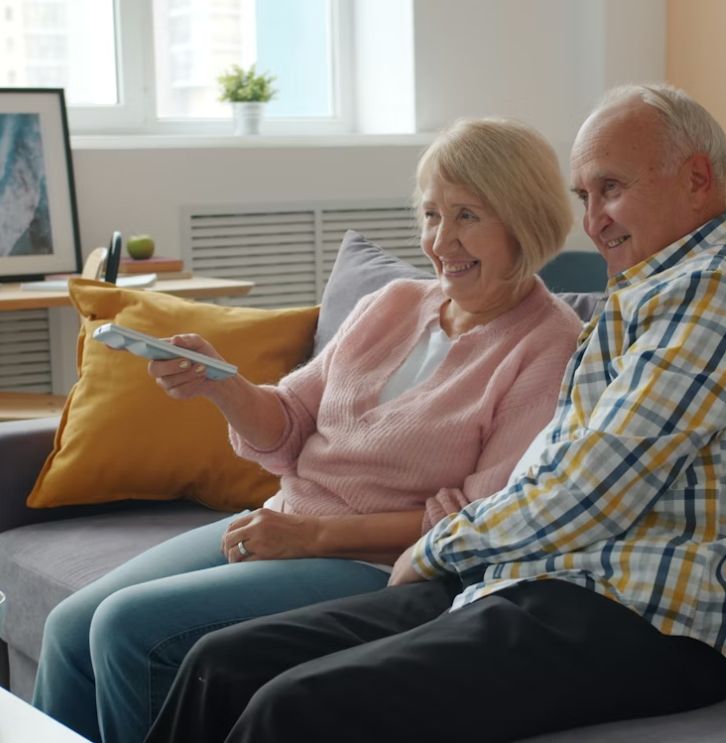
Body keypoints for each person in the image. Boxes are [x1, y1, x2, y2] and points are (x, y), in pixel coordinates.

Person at [143, 83, 726, 743]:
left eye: (612, 189)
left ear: (696, 179)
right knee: (221, 663)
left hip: (658, 620)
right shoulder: (644, 297)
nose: (593, 219)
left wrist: (436, 547)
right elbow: (556, 472)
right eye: (584, 194)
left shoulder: (723, 297)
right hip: (545, 582)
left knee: (291, 706)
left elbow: (592, 488)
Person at [30, 117, 584, 743]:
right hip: (288, 515)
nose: (440, 241)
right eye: (431, 215)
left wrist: (311, 535)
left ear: (524, 219)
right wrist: (223, 385)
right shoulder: (398, 302)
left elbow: (476, 519)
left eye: (466, 216)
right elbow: (290, 422)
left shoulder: (550, 344)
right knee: (72, 626)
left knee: (128, 628)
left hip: (377, 564)